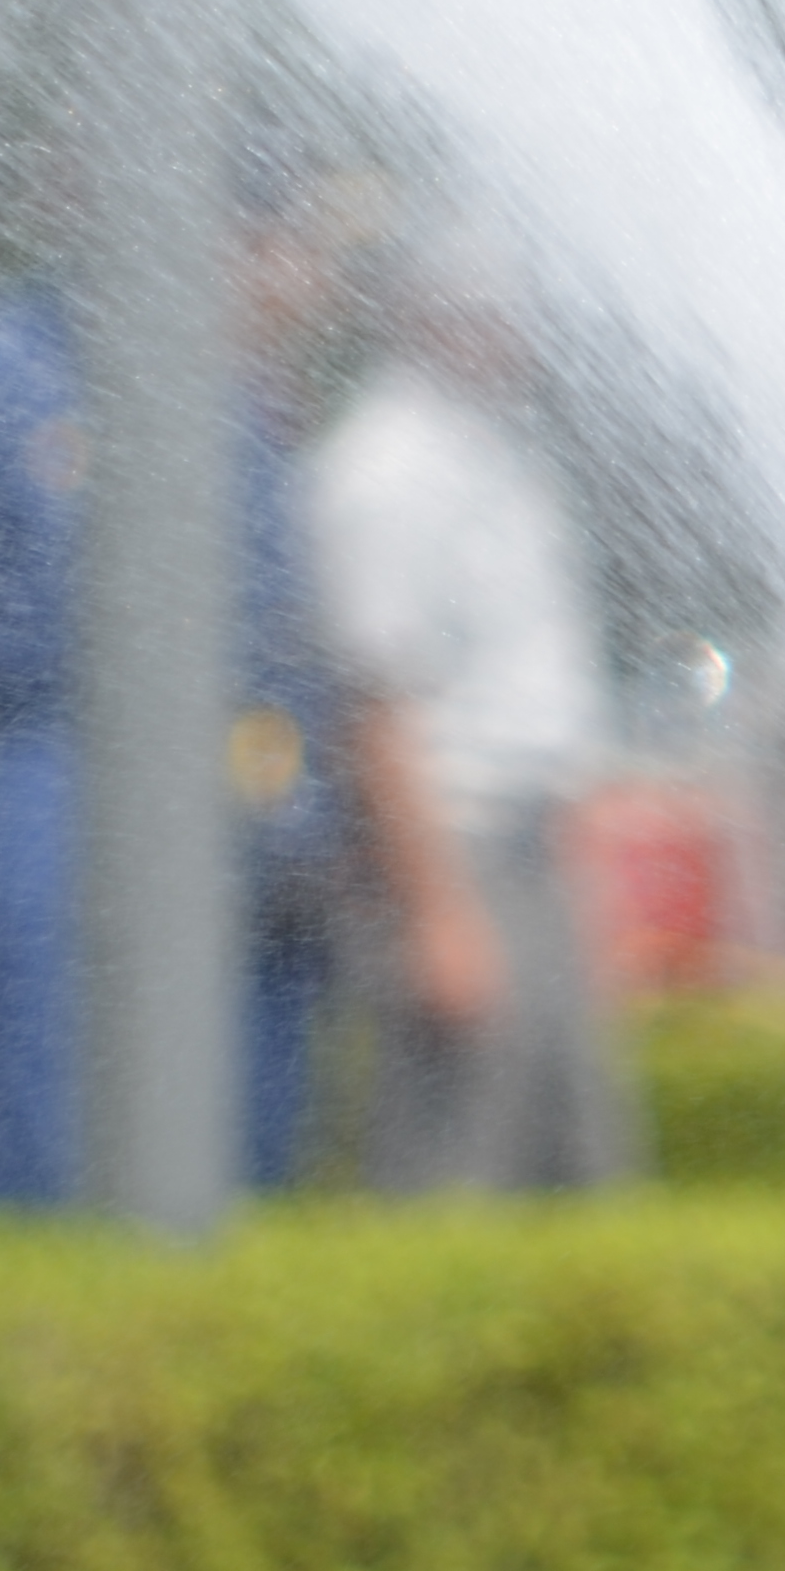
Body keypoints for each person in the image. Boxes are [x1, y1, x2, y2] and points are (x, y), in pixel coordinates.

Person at [0, 151, 351, 1199]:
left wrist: (302, 822)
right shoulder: (1, 365)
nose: (285, 279)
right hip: (57, 764)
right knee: (42, 1122)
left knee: (244, 1117)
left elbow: (279, 646)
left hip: (233, 783)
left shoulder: (241, 392)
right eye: (267, 248)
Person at [304, 216, 637, 1192]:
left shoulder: (500, 452)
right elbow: (374, 705)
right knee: (455, 1175)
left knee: (568, 1160)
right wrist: (438, 915)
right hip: (456, 854)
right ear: (433, 317)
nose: (522, 336)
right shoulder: (381, 469)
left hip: (526, 853)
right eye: (498, 313)